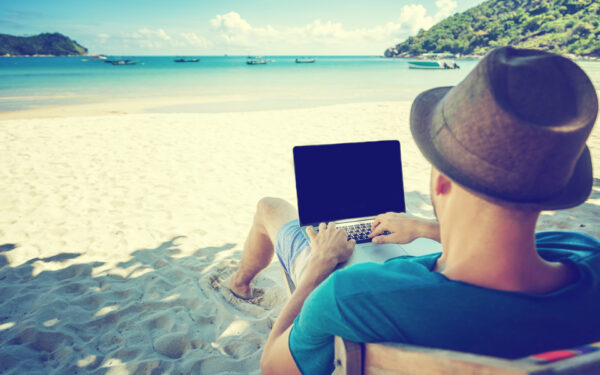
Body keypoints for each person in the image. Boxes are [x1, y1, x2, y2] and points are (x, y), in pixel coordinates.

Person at [227, 47, 600, 375]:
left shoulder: (350, 296)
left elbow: (273, 367)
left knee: (271, 208)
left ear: (441, 183)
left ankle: (238, 284)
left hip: (329, 269)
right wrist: (423, 228)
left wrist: (318, 267)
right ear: (553, 190)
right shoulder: (585, 256)